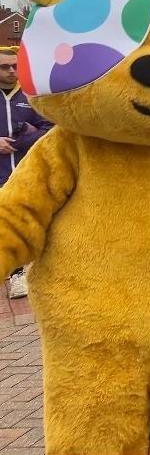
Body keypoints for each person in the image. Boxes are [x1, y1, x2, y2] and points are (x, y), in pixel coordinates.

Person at [0, 46, 54, 299]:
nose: (11, 71)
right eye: (5, 67)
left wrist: (25, 138)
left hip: (26, 172)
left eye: (15, 66)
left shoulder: (30, 95)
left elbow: (51, 130)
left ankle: (20, 275)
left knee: (29, 223)